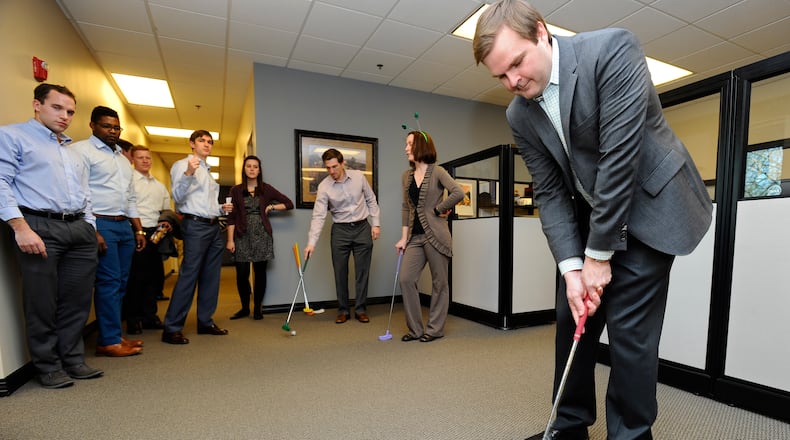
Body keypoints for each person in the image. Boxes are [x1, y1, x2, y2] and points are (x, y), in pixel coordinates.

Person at [473, 2, 713, 439]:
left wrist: (598, 257)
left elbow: (619, 161)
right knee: (573, 318)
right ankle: (568, 427)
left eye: (517, 64)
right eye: (500, 77)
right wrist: (571, 268)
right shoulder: (518, 113)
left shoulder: (612, 51)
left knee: (629, 335)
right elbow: (548, 191)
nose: (513, 82)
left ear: (541, 33)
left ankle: (631, 435)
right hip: (591, 209)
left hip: (650, 205)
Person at [0, 84, 103, 388]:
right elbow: (1, 183)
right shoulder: (13, 136)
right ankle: (47, 365)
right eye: (57, 108)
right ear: (37, 104)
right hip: (39, 226)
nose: (65, 116)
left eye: (70, 111)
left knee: (77, 301)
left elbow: (85, 194)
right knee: (42, 301)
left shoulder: (71, 153)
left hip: (78, 230)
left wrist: (89, 225)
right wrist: (20, 227)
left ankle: (72, 359)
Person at [72, 106, 145, 358]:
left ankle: (113, 334)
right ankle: (108, 340)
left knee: (121, 283)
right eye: (107, 126)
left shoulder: (122, 159)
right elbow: (81, 193)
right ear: (93, 125)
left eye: (116, 127)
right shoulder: (81, 151)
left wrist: (138, 230)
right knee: (109, 283)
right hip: (101, 223)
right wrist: (92, 229)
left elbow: (130, 196)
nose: (112, 131)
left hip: (123, 224)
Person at [162, 130, 233, 344]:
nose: (207, 144)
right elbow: (177, 197)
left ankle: (205, 322)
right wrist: (188, 174)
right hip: (195, 227)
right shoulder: (183, 165)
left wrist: (221, 208)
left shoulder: (208, 171)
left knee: (211, 277)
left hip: (212, 227)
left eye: (210, 142)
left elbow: (205, 204)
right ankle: (172, 327)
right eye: (202, 141)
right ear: (192, 144)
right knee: (188, 276)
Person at [394, 131, 464, 343]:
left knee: (439, 283)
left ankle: (434, 329)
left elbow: (458, 192)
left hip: (436, 236)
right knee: (406, 279)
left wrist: (438, 208)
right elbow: (406, 208)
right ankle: (415, 330)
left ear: (421, 147)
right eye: (405, 144)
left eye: (409, 144)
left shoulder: (438, 172)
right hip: (415, 238)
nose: (406, 148)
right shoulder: (406, 176)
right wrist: (403, 238)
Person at [304, 148, 381, 324]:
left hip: (362, 228)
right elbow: (318, 215)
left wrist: (375, 223)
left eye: (335, 166)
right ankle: (343, 310)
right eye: (328, 168)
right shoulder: (324, 187)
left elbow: (371, 199)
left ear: (342, 163)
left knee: (362, 272)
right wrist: (311, 243)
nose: (332, 171)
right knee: (340, 272)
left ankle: (360, 309)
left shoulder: (359, 177)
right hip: (340, 231)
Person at [226, 155, 294, 320]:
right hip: (241, 234)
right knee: (242, 274)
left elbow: (288, 203)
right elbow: (231, 217)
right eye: (249, 166)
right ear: (244, 168)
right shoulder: (235, 190)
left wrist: (271, 206)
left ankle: (257, 308)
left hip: (262, 234)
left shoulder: (266, 188)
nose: (252, 169)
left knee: (260, 273)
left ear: (259, 170)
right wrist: (230, 240)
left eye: (255, 166)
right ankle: (244, 308)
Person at [123, 145, 172, 334]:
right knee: (136, 278)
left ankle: (150, 316)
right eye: (141, 157)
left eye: (148, 158)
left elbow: (165, 211)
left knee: (154, 277)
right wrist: (137, 230)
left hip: (155, 234)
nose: (145, 161)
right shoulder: (129, 181)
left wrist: (167, 223)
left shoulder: (159, 186)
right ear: (133, 160)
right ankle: (133, 320)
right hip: (136, 231)